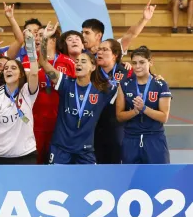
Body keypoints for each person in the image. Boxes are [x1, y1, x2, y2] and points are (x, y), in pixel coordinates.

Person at [39, 23, 116, 164]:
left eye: (83, 61)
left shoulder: (103, 90)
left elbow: (127, 83)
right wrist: (44, 39)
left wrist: (154, 77)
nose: (78, 64)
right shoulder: (66, 83)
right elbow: (44, 63)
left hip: (85, 151)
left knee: (88, 185)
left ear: (93, 67)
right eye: (77, 61)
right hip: (60, 148)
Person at [0, 30, 39, 164]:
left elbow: (34, 74)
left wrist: (31, 47)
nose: (8, 70)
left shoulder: (27, 91)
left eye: (13, 68)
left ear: (21, 74)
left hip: (25, 154)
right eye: (6, 68)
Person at [116, 46, 172, 164]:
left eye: (142, 62)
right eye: (134, 63)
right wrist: (135, 111)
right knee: (131, 180)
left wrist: (144, 108)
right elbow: (119, 116)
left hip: (154, 139)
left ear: (150, 62)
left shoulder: (160, 84)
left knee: (158, 179)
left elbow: (164, 117)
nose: (137, 66)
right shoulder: (125, 84)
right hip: (131, 139)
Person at [32, 26, 76, 164]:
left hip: (60, 122)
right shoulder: (31, 62)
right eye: (37, 35)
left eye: (42, 35)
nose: (38, 38)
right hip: (36, 122)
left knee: (55, 163)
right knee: (36, 162)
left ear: (54, 39)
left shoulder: (68, 62)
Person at [82, 0, 156, 55]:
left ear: (98, 36)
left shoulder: (112, 48)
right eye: (82, 32)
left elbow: (131, 34)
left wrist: (144, 19)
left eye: (87, 33)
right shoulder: (77, 52)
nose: (82, 36)